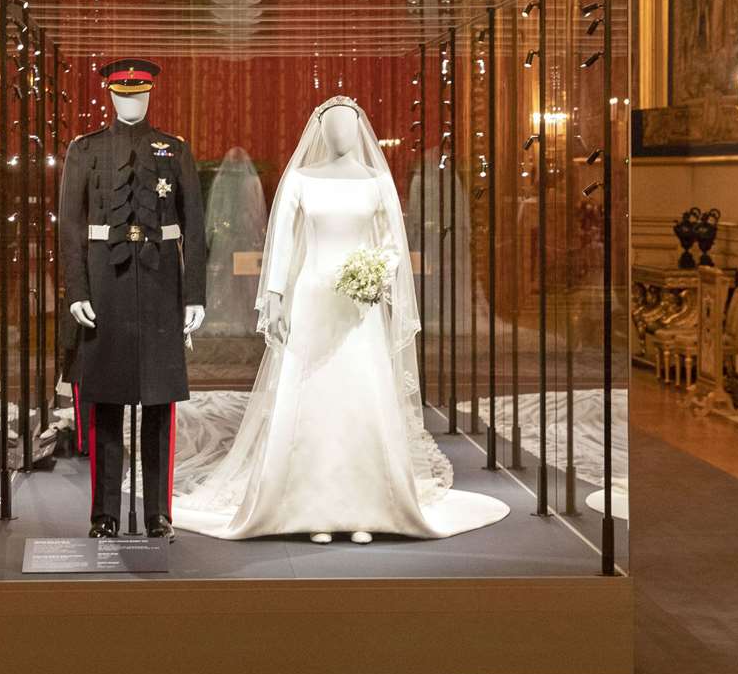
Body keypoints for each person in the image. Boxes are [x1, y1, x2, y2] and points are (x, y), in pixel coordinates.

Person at [170, 96, 508, 542]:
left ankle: (366, 508)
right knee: (312, 398)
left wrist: (378, 273)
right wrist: (273, 295)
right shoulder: (301, 180)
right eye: (333, 124)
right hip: (311, 297)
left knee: (359, 397)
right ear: (321, 130)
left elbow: (391, 242)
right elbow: (285, 243)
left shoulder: (375, 181)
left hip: (358, 306)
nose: (341, 132)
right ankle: (313, 509)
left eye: (349, 124)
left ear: (359, 129)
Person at [58, 58, 206, 540]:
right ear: (109, 95)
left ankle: (157, 514)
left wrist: (194, 295)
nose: (130, 100)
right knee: (105, 404)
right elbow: (71, 229)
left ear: (149, 95)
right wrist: (78, 290)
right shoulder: (85, 150)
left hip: (162, 286)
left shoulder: (174, 150)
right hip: (105, 289)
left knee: (159, 406)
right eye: (122, 93)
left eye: (138, 93)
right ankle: (104, 514)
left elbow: (195, 227)